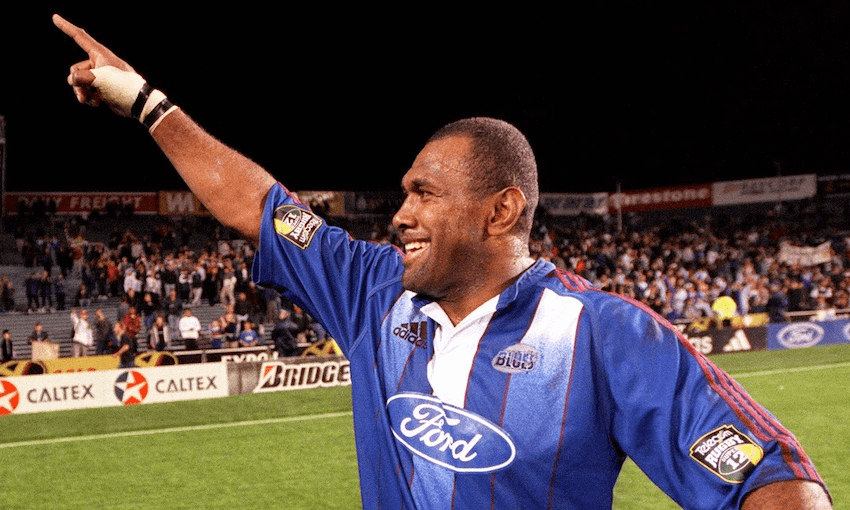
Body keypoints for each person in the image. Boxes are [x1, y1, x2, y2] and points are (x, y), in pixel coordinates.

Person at [54, 15, 831, 509]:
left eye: (424, 194)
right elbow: (255, 201)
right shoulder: (371, 291)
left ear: (501, 210)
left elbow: (778, 486)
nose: (400, 215)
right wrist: (146, 102)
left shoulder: (604, 335)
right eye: (403, 195)